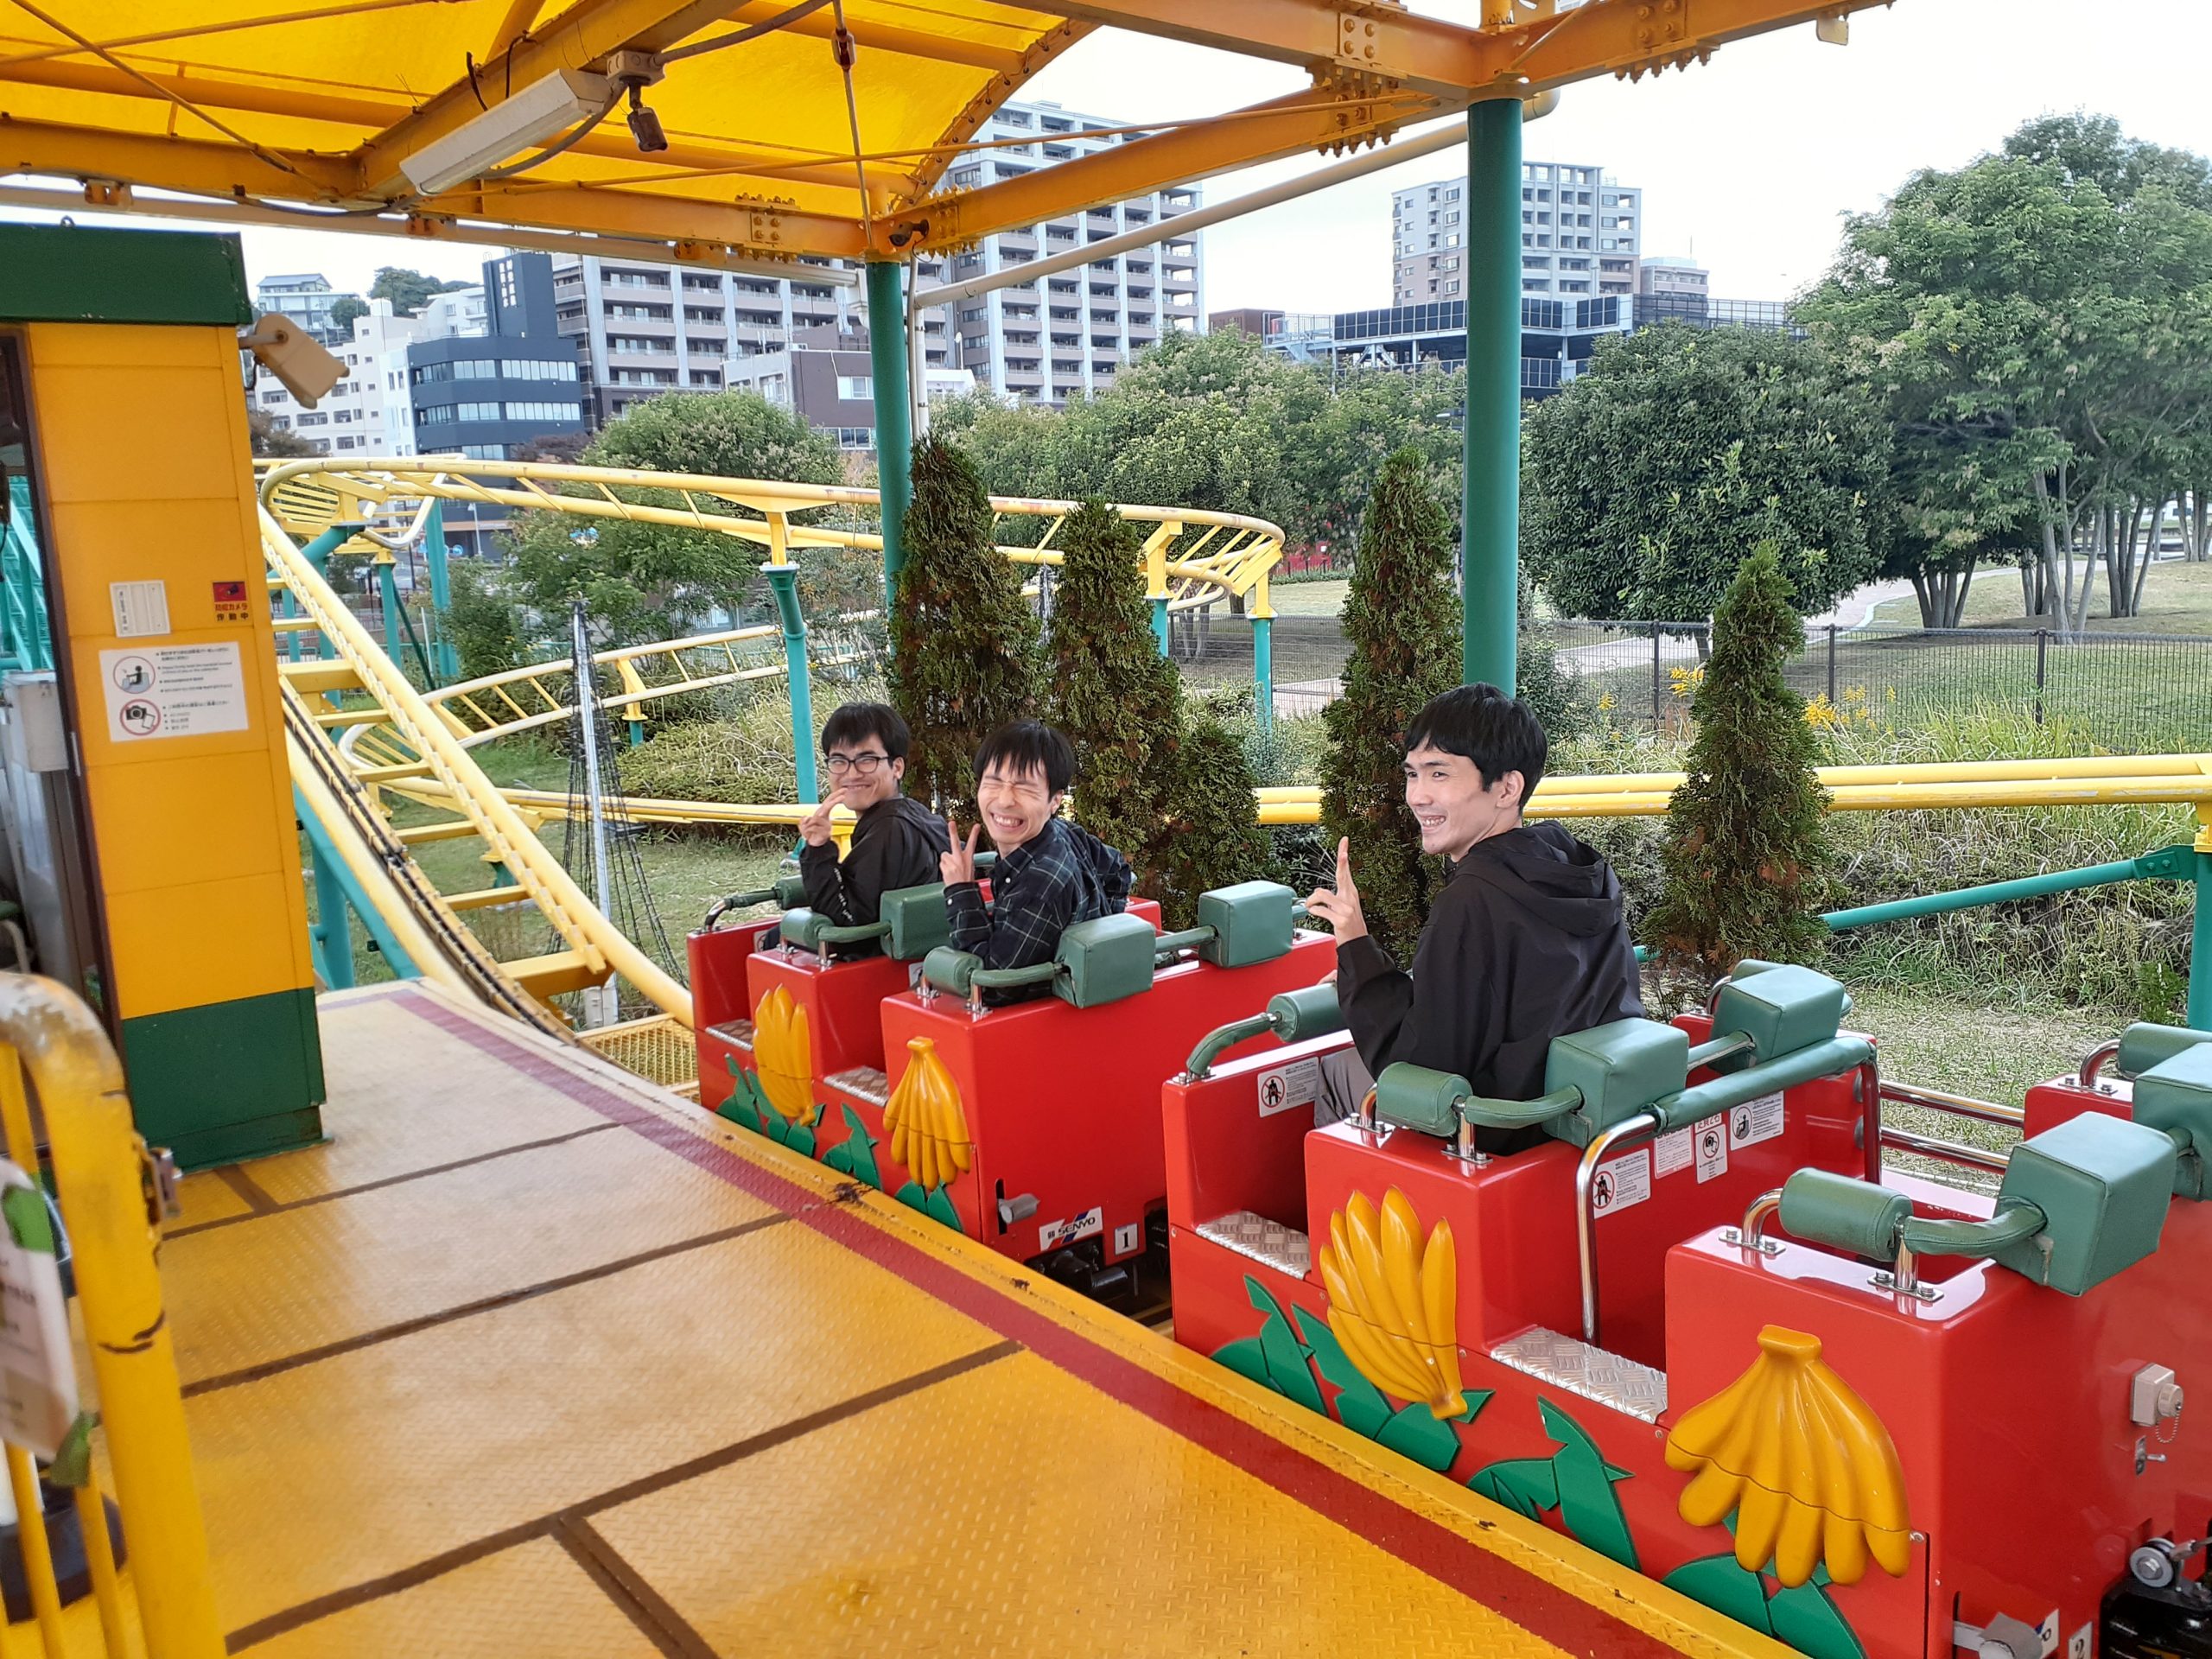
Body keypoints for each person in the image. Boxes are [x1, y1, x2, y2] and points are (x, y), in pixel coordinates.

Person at [1305, 683, 1644, 1152]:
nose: (1417, 796)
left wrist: (1355, 946)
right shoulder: (1578, 871)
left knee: (1332, 1069)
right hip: (1576, 1123)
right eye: (1413, 774)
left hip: (1491, 1135)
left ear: (1506, 788)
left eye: (1439, 774)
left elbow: (1419, 1068)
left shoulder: (1473, 899)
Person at [940, 721, 1133, 1002]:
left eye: (1025, 788)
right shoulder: (1062, 830)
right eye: (993, 782)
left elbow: (993, 986)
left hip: (1043, 1020)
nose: (1005, 800)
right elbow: (1117, 870)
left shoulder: (1040, 882)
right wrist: (1099, 934)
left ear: (1054, 800)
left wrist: (961, 892)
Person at [796, 702, 950, 958]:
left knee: (773, 940)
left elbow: (846, 928)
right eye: (839, 761)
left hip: (880, 964)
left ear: (897, 767)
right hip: (915, 954)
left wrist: (818, 851)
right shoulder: (915, 814)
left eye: (866, 760)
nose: (851, 773)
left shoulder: (888, 831)